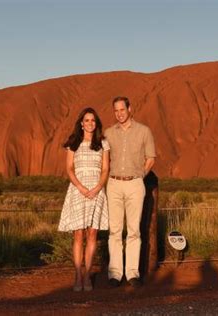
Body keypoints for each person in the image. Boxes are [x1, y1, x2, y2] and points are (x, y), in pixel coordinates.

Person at [104, 96, 156, 288]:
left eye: (122, 110)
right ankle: (115, 274)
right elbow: (104, 160)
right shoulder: (108, 133)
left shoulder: (144, 131)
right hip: (114, 183)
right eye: (116, 111)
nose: (119, 114)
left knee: (134, 230)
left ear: (130, 109)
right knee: (115, 230)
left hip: (135, 183)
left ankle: (132, 273)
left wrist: (140, 176)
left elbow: (150, 157)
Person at [58, 107, 110, 292]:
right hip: (78, 189)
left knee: (93, 233)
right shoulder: (74, 142)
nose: (90, 123)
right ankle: (78, 274)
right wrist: (80, 187)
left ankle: (88, 274)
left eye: (93, 120)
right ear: (81, 123)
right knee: (79, 234)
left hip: (96, 190)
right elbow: (69, 168)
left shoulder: (103, 143)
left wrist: (97, 188)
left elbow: (105, 169)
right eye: (87, 120)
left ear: (96, 124)